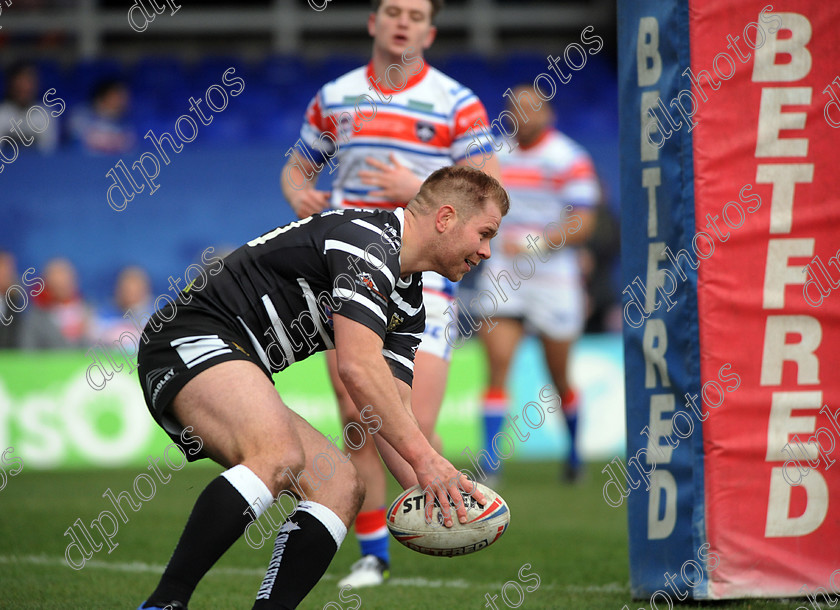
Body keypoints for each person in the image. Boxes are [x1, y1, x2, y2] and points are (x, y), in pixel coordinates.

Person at [136, 166, 508, 610]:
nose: (487, 252)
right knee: (277, 455)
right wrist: (427, 461)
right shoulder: (368, 242)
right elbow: (356, 366)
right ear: (445, 218)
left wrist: (438, 489)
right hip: (188, 337)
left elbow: (389, 411)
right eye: (484, 233)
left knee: (341, 487)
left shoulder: (408, 303)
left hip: (237, 357)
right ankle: (164, 603)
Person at [280, 0, 501, 587]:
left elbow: (488, 186)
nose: (403, 21)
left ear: (429, 30)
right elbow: (297, 167)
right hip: (346, 271)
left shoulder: (457, 102)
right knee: (357, 412)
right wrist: (298, 194)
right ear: (373, 22)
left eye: (415, 14)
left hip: (426, 273)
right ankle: (374, 552)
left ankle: (434, 499)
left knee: (404, 419)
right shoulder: (336, 96)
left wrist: (418, 189)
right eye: (392, 11)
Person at [475, 84, 599, 483]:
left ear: (548, 114)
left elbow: (584, 220)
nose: (523, 115)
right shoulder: (495, 154)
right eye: (516, 108)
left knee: (559, 376)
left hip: (553, 278)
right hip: (504, 275)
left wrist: (540, 241)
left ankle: (575, 454)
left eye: (532, 108)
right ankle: (490, 464)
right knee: (496, 367)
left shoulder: (568, 157)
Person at [19, 257, 92, 349]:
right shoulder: (36, 316)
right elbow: (28, 350)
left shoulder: (88, 311)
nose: (62, 284)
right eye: (57, 281)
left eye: (65, 278)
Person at [0, 61, 60, 154]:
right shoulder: (2, 113)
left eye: (29, 82)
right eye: (20, 83)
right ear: (12, 85)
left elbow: (48, 153)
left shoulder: (45, 114)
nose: (25, 88)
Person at [68, 78, 136, 154]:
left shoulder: (127, 123)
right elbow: (75, 145)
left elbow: (129, 150)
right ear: (103, 96)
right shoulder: (80, 116)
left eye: (124, 96)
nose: (123, 100)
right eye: (117, 95)